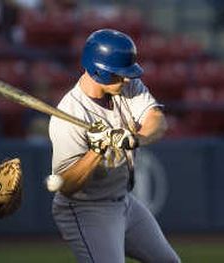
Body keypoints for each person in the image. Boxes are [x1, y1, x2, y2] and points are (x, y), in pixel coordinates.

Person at [48, 29, 180, 262]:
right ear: (98, 71)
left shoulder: (127, 87)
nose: (127, 79)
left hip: (124, 202)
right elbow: (65, 185)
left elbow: (157, 121)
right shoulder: (67, 114)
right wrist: (96, 151)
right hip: (86, 209)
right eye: (119, 74)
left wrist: (134, 138)